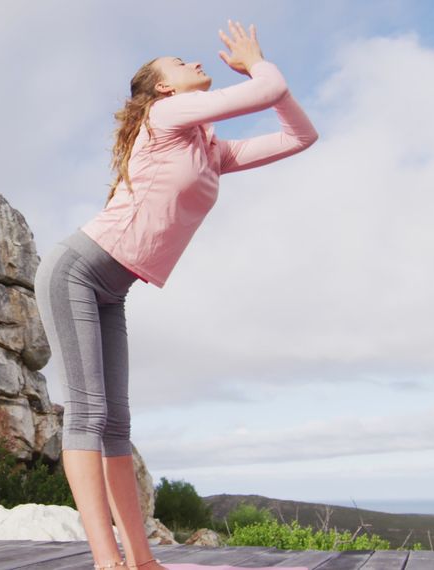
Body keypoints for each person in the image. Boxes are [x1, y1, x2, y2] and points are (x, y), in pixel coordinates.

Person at [33, 20, 318, 570]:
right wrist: (256, 63)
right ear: (162, 89)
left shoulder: (211, 150)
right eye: (179, 63)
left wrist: (270, 80)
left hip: (113, 289)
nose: (194, 64)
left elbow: (300, 136)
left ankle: (141, 560)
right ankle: (105, 560)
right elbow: (267, 89)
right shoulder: (164, 118)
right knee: (88, 413)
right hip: (76, 271)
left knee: (118, 425)